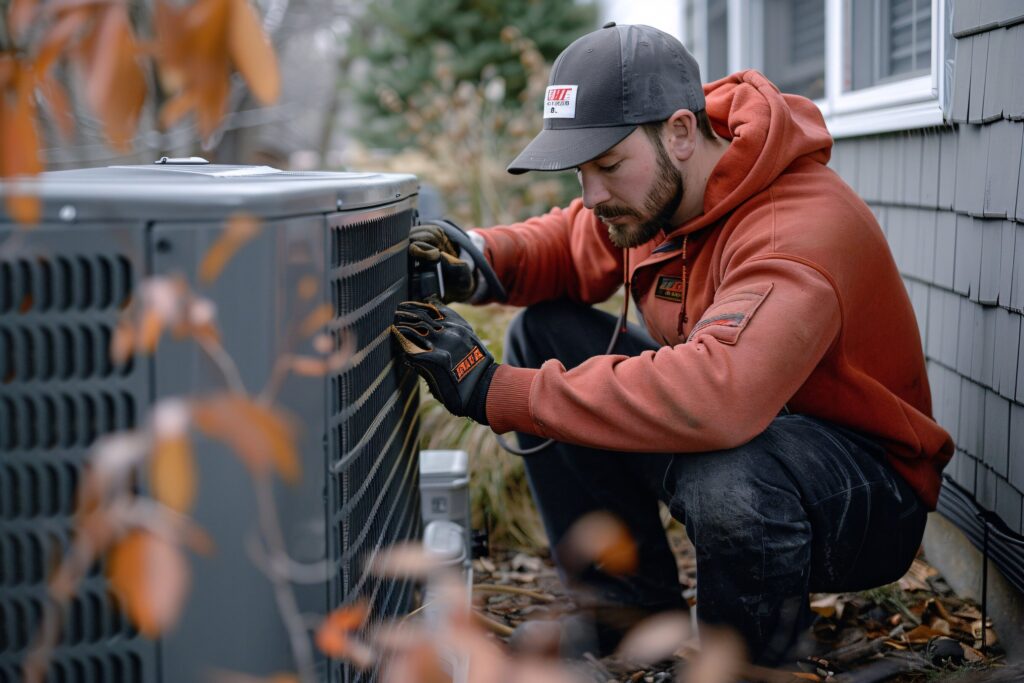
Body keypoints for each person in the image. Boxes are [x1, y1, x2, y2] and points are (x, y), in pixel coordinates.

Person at [392, 22, 954, 664]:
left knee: (728, 468)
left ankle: (748, 667)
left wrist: (496, 389)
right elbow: (570, 243)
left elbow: (720, 396)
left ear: (681, 131)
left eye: (608, 166)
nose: (592, 195)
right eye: (581, 172)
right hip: (749, 435)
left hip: (865, 494)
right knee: (543, 332)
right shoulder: (661, 190)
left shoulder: (793, 230)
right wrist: (476, 259)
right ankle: (624, 618)